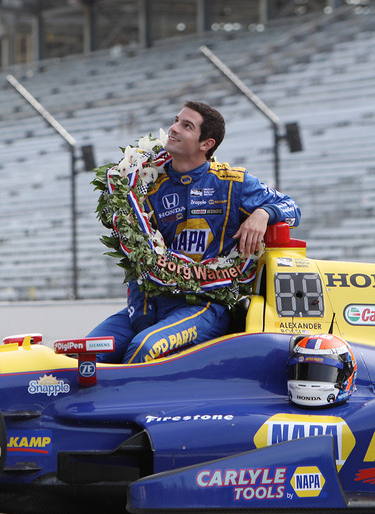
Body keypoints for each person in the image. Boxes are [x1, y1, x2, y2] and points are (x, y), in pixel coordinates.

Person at [88, 101, 301, 364]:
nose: (173, 129)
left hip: (202, 305)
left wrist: (264, 213)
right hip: (146, 304)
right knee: (81, 354)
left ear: (206, 144)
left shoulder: (231, 182)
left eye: (186, 126)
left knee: (145, 348)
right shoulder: (145, 183)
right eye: (176, 120)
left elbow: (292, 208)